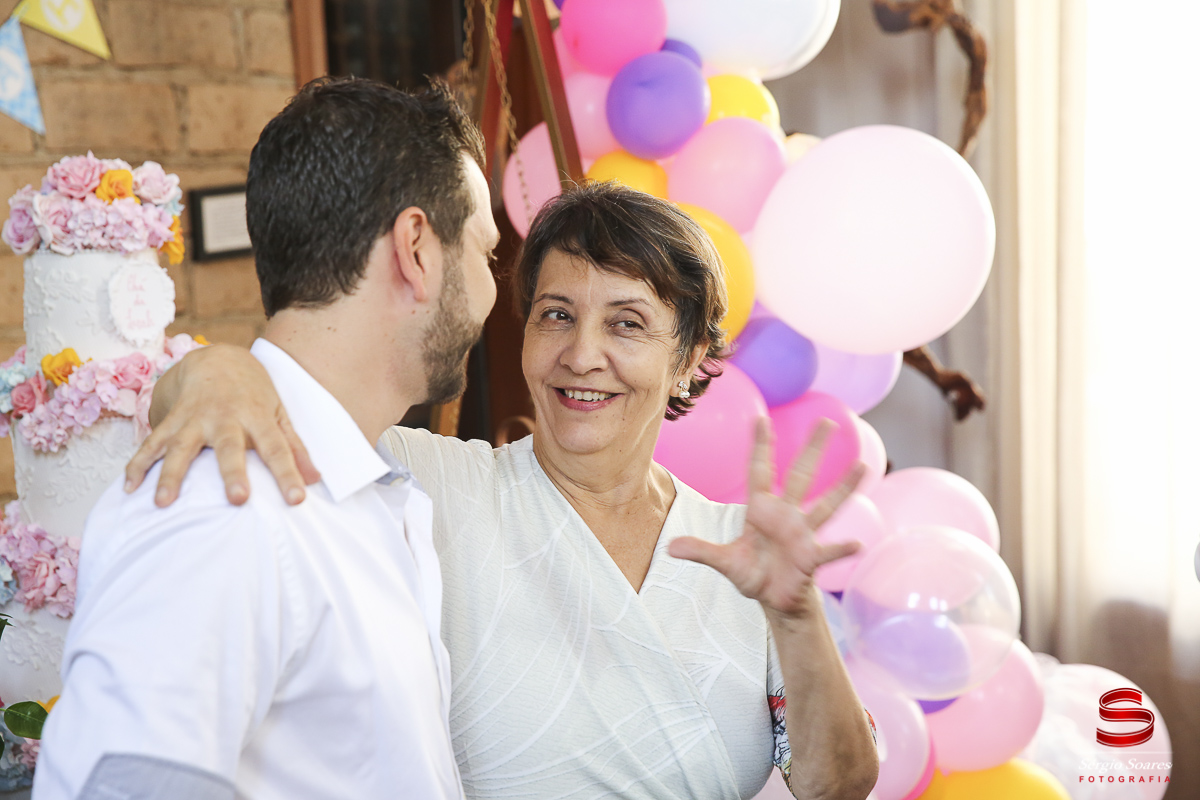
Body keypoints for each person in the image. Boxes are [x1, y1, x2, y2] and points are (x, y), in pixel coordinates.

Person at [129, 182, 880, 800]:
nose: (582, 355)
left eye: (627, 324)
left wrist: (796, 615)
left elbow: (838, 787)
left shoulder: (743, 555)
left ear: (686, 359)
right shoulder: (431, 484)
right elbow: (236, 395)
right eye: (556, 316)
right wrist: (215, 376)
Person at [35, 77, 500, 799]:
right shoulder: (223, 503)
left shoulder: (366, 488)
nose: (491, 290)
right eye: (485, 251)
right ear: (417, 248)